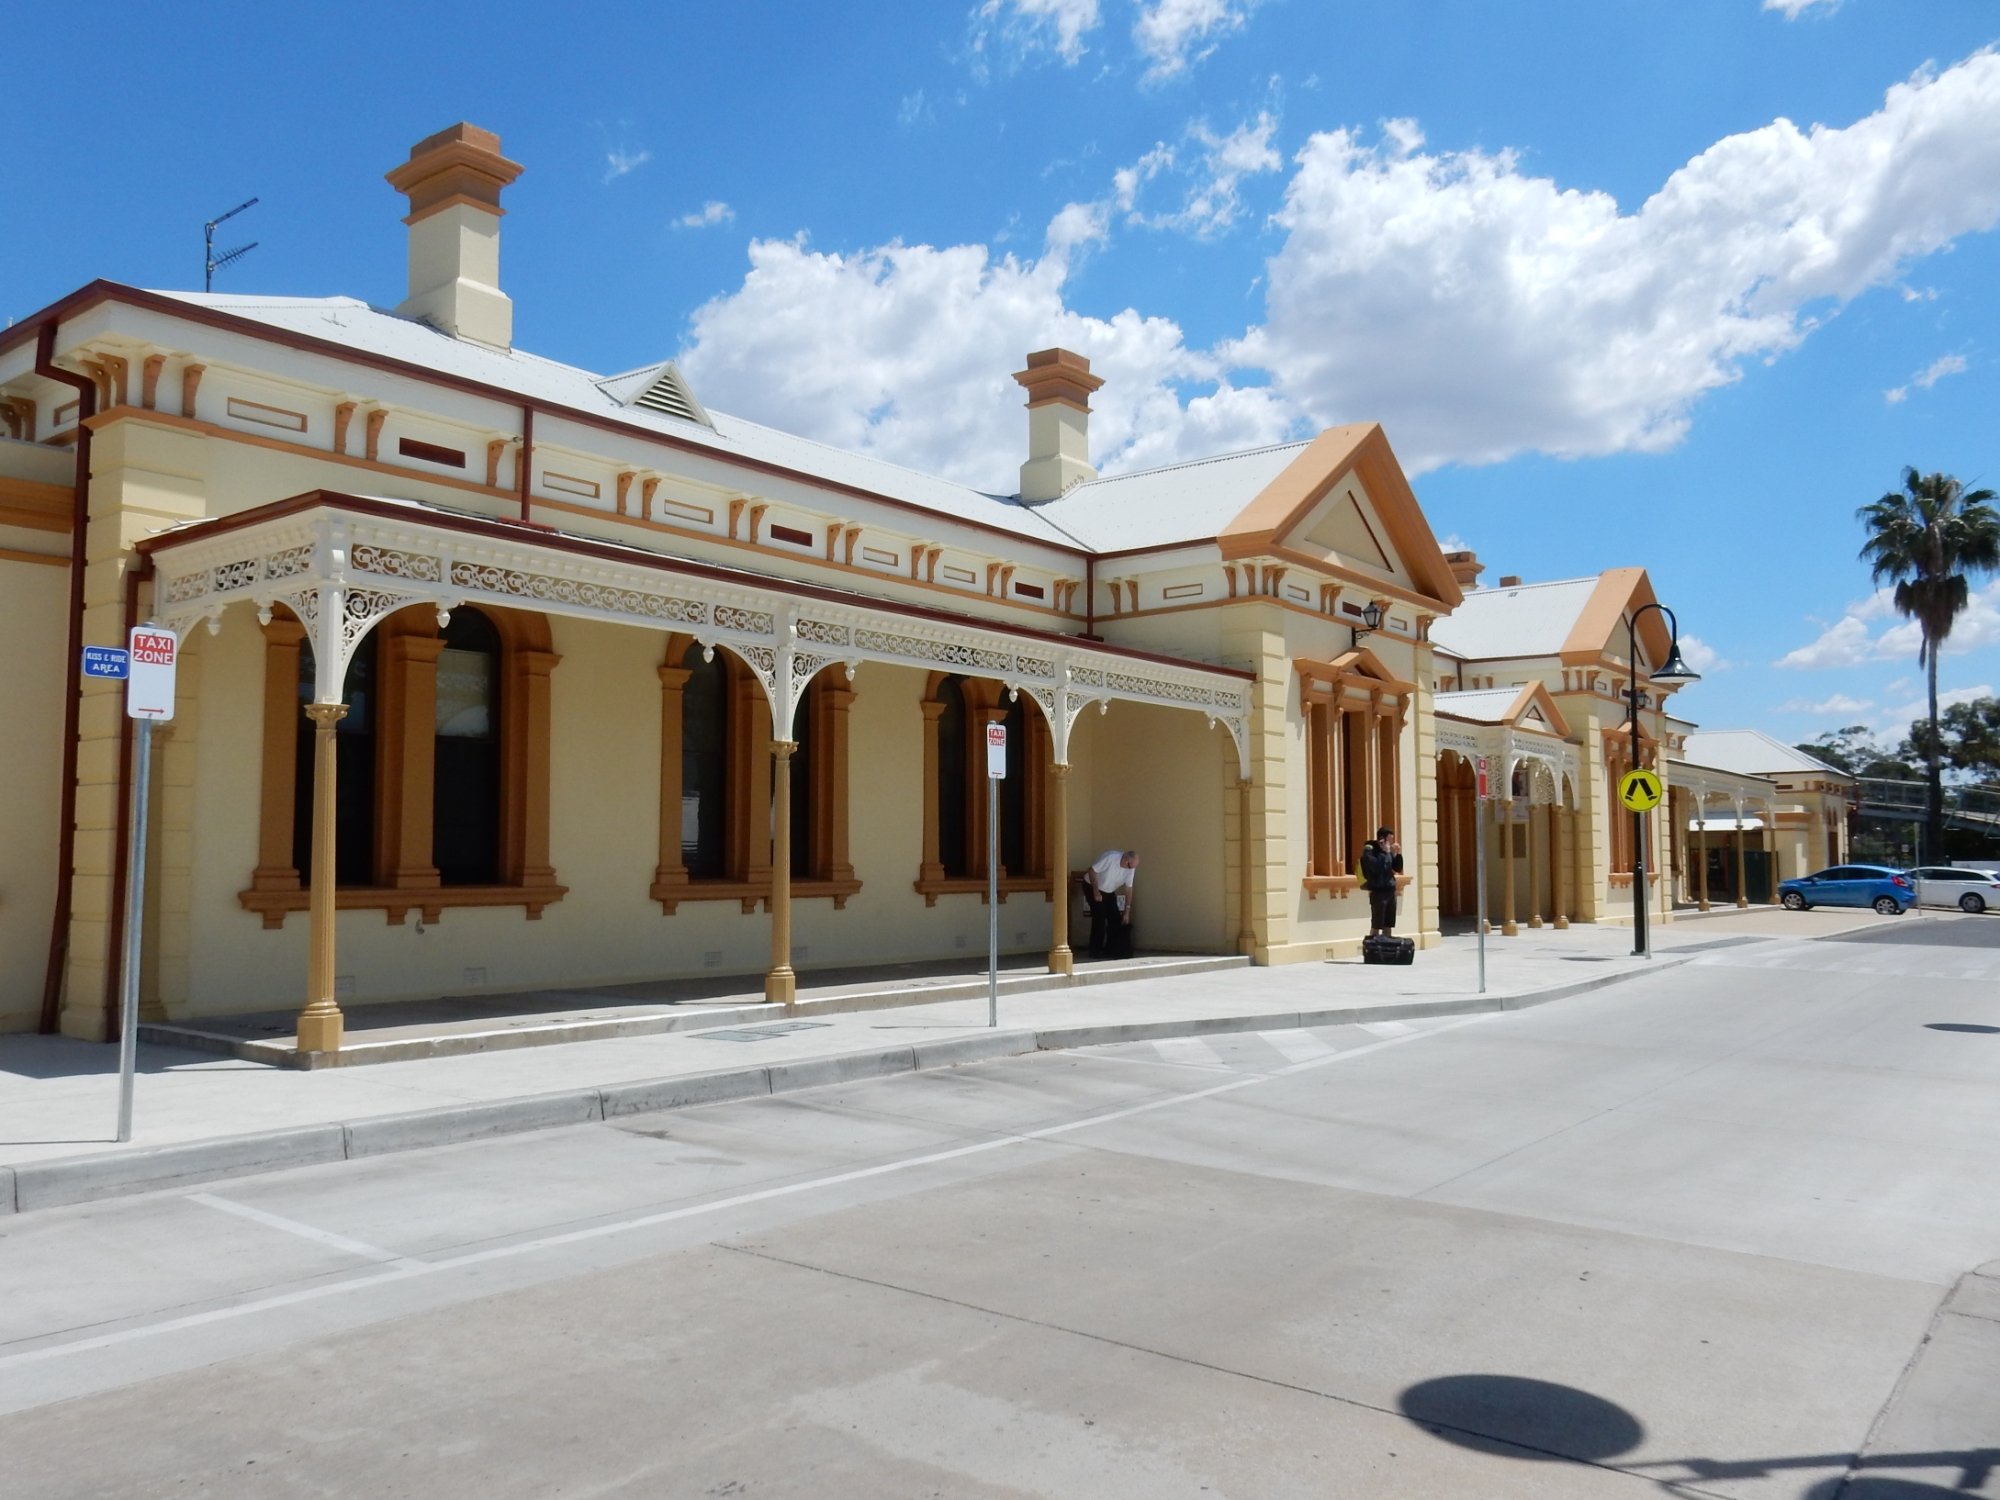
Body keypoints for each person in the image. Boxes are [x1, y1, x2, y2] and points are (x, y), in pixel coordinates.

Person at [1086, 848, 1139, 958]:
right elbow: (1092, 870)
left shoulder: (1130, 869)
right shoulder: (1110, 858)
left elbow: (1129, 888)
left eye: (1133, 867)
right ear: (1125, 860)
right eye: (1130, 866)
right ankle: (1095, 950)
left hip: (1108, 891)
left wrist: (1127, 911)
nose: (1131, 869)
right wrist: (1095, 891)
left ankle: (1112, 949)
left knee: (1115, 918)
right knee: (1099, 918)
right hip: (1091, 885)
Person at [1360, 827, 1403, 937]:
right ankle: (1374, 946)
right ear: (1382, 839)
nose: (1391, 842)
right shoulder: (1370, 850)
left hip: (1390, 890)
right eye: (1390, 840)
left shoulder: (1388, 852)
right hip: (1378, 891)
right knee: (1377, 923)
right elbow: (1376, 868)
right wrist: (1386, 853)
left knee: (1388, 923)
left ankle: (1387, 945)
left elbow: (1397, 868)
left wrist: (1397, 854)